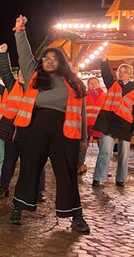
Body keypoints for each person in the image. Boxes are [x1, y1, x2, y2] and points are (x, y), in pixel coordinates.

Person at [9, 15, 90, 234]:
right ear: (42, 62)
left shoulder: (74, 83)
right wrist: (20, 32)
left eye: (55, 57)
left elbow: (81, 113)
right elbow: (25, 56)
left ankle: (77, 216)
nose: (50, 60)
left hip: (64, 133)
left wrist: (83, 139)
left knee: (66, 173)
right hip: (33, 129)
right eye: (46, 58)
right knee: (29, 169)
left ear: (61, 61)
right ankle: (18, 209)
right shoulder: (34, 76)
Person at [0, 44, 46, 201]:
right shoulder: (11, 85)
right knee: (9, 161)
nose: (22, 75)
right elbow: (5, 71)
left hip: (32, 131)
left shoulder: (38, 87)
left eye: (25, 72)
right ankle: (4, 188)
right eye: (20, 73)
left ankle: (39, 190)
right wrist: (3, 54)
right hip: (13, 131)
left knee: (36, 163)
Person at [92, 58, 134, 187]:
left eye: (125, 72)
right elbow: (106, 74)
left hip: (125, 125)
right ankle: (98, 177)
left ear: (130, 74)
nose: (122, 74)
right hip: (109, 122)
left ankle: (121, 179)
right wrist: (104, 61)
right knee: (105, 151)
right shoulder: (112, 84)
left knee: (124, 154)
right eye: (120, 71)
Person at [77, 77, 106, 175]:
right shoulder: (84, 95)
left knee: (103, 149)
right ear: (88, 85)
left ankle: (102, 170)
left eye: (95, 82)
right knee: (82, 147)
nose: (93, 84)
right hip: (86, 124)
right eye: (91, 83)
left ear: (99, 83)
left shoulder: (105, 96)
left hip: (100, 125)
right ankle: (80, 165)